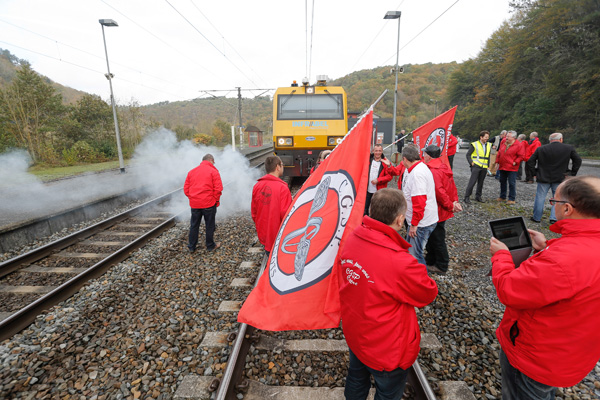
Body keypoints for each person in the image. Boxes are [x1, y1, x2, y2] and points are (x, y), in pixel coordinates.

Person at [489, 176, 600, 400]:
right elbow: (574, 279)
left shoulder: (563, 259)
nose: (553, 206)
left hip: (537, 357)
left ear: (567, 209)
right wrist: (547, 248)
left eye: (554, 202)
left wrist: (501, 256)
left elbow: (510, 290)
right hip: (574, 351)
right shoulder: (577, 247)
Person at [339, 188, 438, 400]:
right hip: (385, 348)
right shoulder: (400, 262)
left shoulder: (353, 238)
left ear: (371, 210)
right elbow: (427, 293)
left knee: (356, 378)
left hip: (356, 332)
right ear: (400, 219)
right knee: (388, 391)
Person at [421, 145, 462, 275]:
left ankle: (442, 265)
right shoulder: (442, 166)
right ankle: (431, 260)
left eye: (425, 154)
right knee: (434, 237)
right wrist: (454, 201)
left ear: (429, 155)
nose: (423, 156)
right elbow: (451, 185)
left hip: (437, 210)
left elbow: (439, 192)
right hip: (441, 209)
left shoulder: (433, 170)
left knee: (437, 238)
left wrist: (450, 205)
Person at [527, 132, 582, 223]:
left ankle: (536, 217)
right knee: (558, 198)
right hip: (560, 177)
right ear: (561, 139)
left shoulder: (541, 148)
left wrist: (534, 172)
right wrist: (572, 173)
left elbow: (530, 161)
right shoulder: (568, 148)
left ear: (550, 140)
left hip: (543, 177)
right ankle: (554, 218)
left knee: (540, 197)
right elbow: (578, 160)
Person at [399, 145, 438, 265]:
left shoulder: (417, 174)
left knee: (415, 256)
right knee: (412, 251)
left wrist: (414, 224)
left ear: (405, 159)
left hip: (421, 223)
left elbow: (419, 201)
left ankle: (421, 280)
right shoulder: (419, 168)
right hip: (421, 220)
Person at [251, 156, 292, 254]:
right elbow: (285, 214)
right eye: (282, 165)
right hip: (277, 235)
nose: (283, 167)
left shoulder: (257, 186)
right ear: (278, 167)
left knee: (268, 252)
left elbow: (254, 212)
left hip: (264, 233)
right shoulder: (282, 188)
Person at [183, 154, 223, 252]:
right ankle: (210, 245)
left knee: (194, 225)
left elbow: (186, 189)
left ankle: (191, 247)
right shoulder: (214, 172)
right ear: (211, 160)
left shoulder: (191, 172)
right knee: (209, 225)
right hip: (209, 203)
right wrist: (216, 200)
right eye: (214, 162)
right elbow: (218, 189)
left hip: (195, 204)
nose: (214, 164)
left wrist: (193, 198)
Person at [495, 131, 525, 204]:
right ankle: (502, 196)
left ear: (513, 137)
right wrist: (497, 162)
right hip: (502, 166)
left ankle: (511, 198)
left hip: (512, 167)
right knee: (502, 181)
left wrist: (515, 162)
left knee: (511, 183)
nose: (506, 138)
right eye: (506, 136)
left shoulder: (518, 145)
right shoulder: (503, 142)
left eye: (508, 137)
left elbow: (521, 156)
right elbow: (499, 152)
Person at [464, 130, 492, 204]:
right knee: (472, 182)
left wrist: (488, 166)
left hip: (484, 167)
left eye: (488, 137)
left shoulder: (488, 145)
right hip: (476, 166)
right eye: (485, 137)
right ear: (481, 137)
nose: (487, 139)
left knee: (481, 183)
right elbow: (468, 154)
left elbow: (488, 156)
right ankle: (467, 197)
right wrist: (471, 163)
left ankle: (478, 196)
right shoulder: (474, 144)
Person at [364, 144, 392, 215]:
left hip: (379, 191)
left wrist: (378, 180)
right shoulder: (368, 160)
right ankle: (365, 224)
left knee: (377, 210)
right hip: (367, 190)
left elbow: (389, 176)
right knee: (365, 209)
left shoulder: (386, 162)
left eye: (379, 151)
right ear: (373, 151)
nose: (378, 152)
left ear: (382, 151)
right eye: (376, 151)